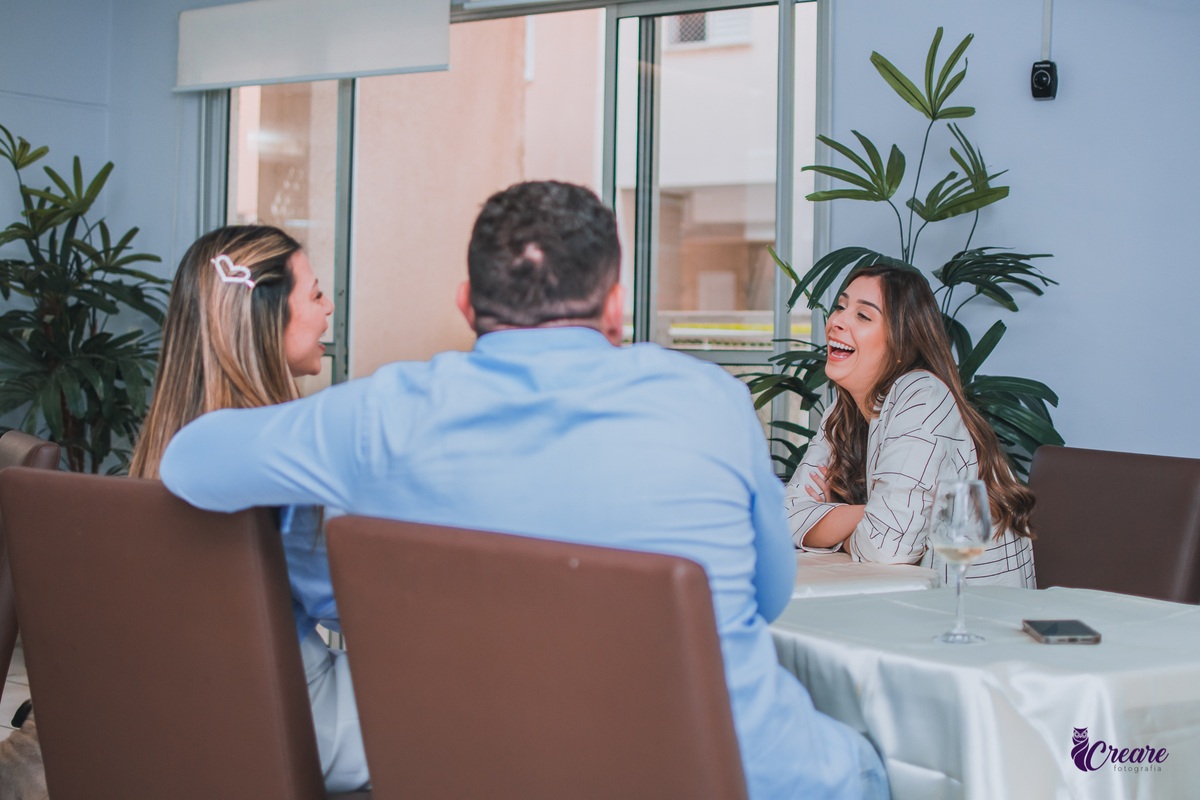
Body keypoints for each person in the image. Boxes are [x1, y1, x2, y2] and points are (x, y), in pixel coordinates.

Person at [157, 181, 890, 800]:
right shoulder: (711, 399)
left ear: (467, 303)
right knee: (873, 762)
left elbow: (187, 462)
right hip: (742, 773)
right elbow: (768, 594)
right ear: (614, 306)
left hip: (507, 769)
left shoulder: (382, 414)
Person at [128, 225, 369, 792]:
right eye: (315, 294)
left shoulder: (159, 454)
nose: (329, 308)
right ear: (267, 319)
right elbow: (355, 609)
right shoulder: (277, 470)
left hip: (178, 712)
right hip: (292, 720)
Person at [785, 263, 1036, 588]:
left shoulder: (922, 394)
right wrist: (869, 513)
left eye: (863, 316)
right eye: (841, 307)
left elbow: (887, 547)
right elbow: (783, 518)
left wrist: (834, 520)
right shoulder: (841, 410)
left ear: (901, 339)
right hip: (896, 596)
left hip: (970, 606)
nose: (837, 322)